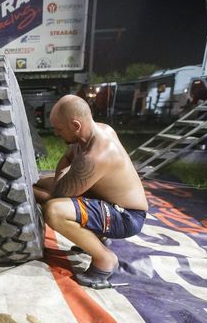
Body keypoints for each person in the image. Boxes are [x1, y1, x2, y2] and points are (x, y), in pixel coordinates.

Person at [33, 95, 148, 289]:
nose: (55, 133)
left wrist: (26, 190)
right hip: (111, 203)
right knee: (44, 183)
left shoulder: (95, 156)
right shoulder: (93, 132)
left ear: (76, 125)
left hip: (127, 216)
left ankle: (105, 260)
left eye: (59, 128)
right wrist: (49, 182)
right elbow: (67, 158)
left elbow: (58, 198)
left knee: (55, 210)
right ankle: (99, 237)